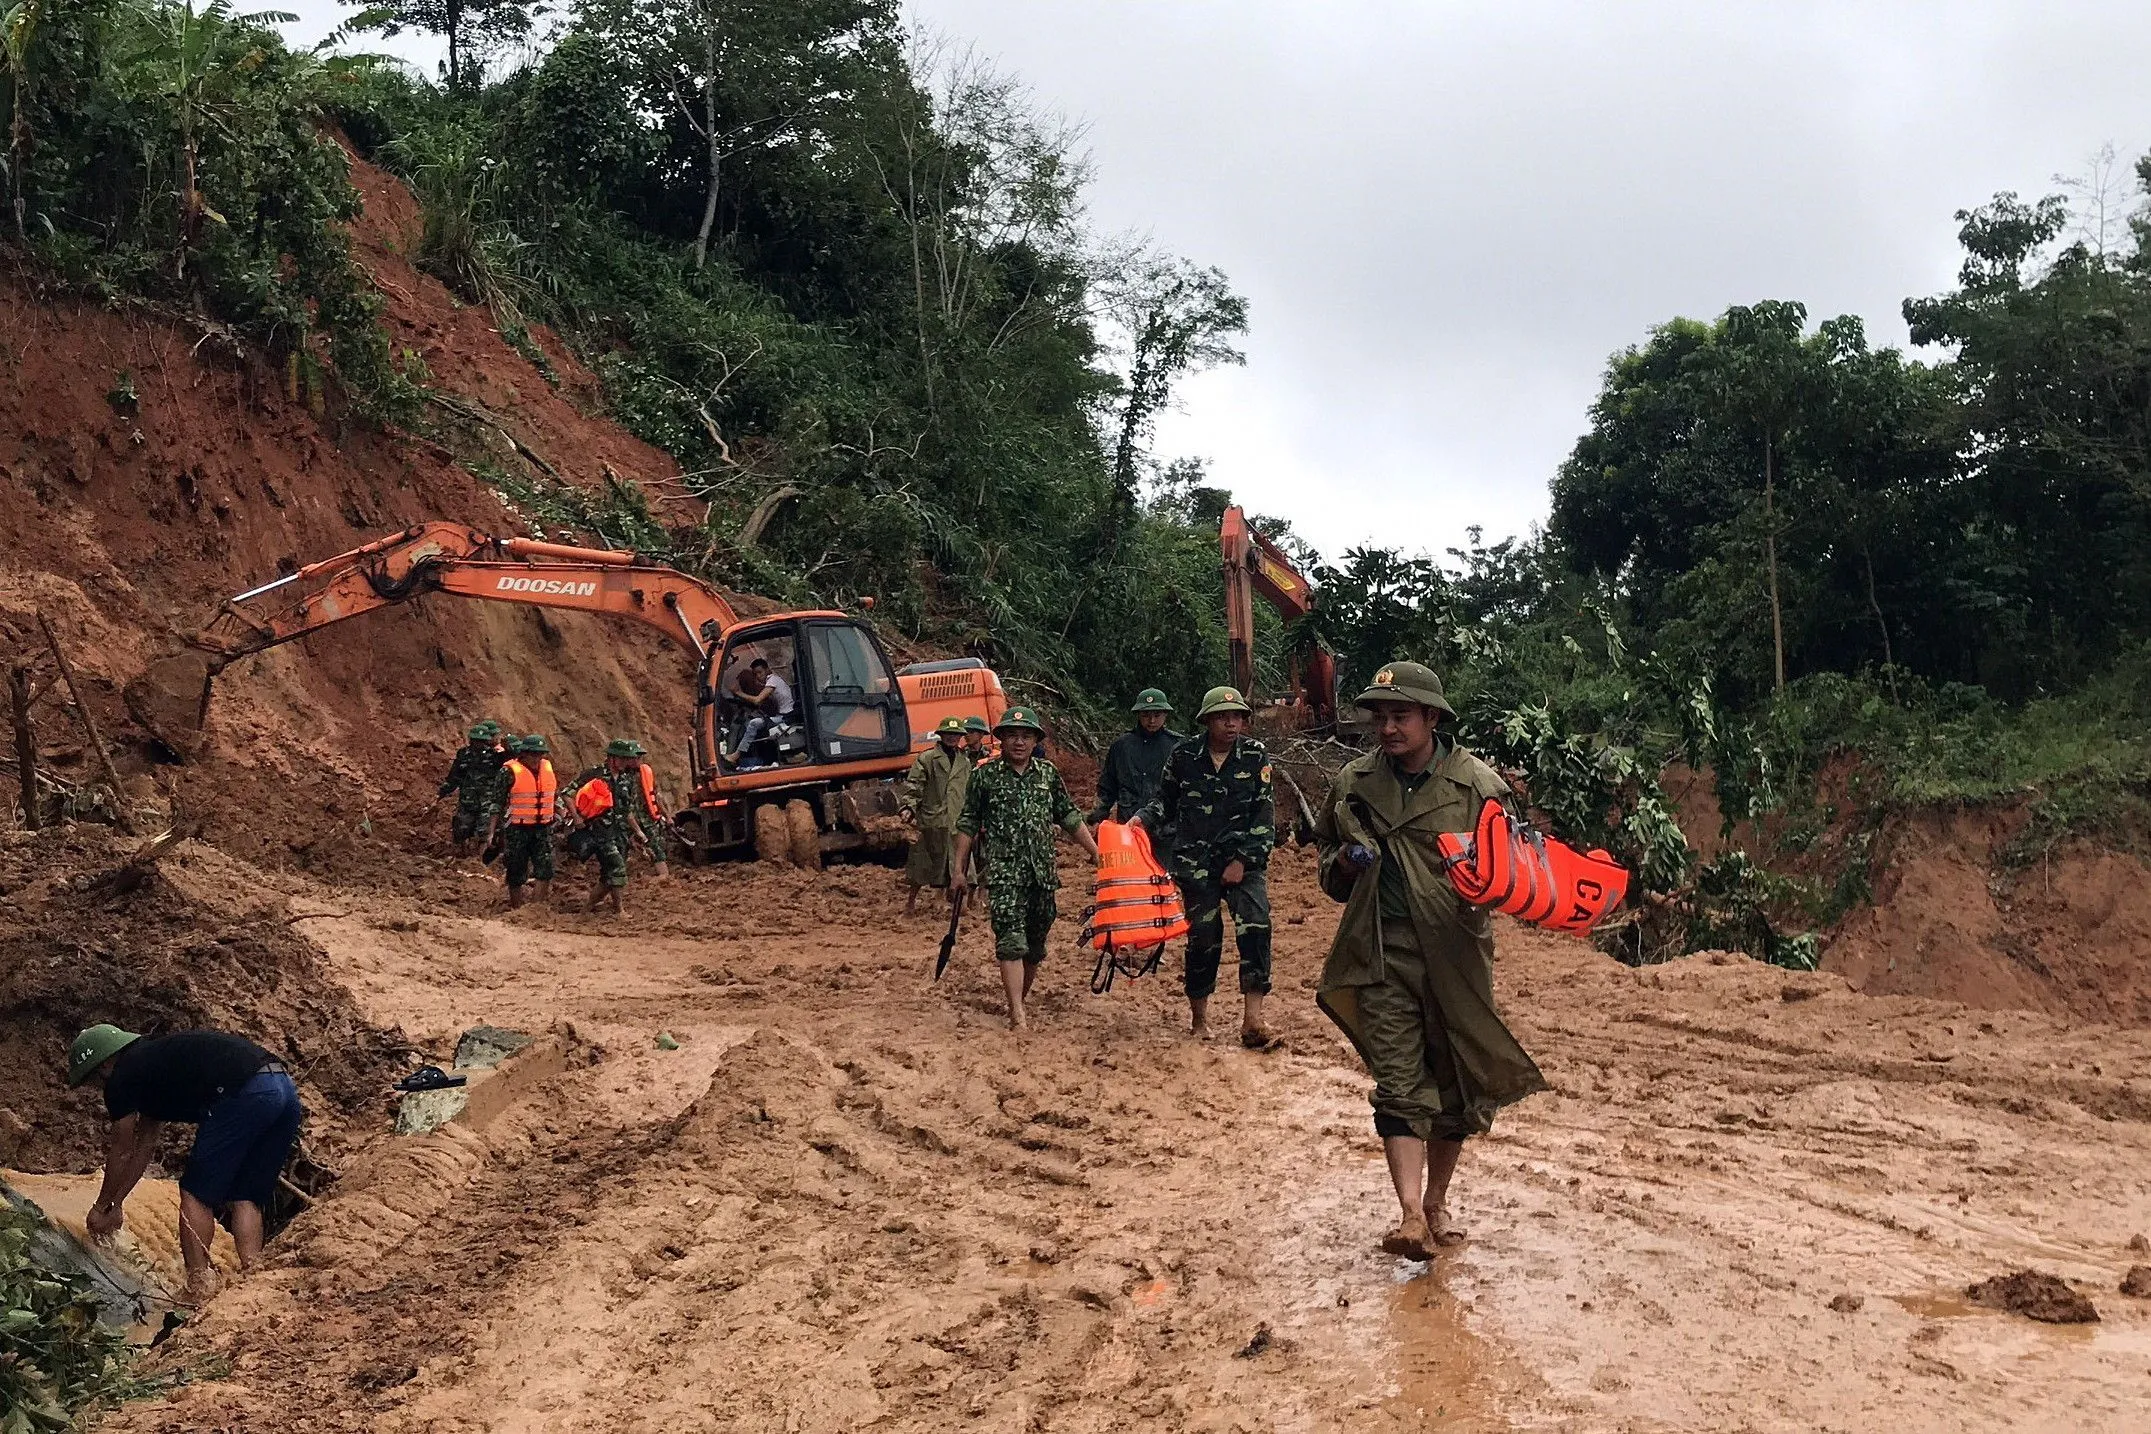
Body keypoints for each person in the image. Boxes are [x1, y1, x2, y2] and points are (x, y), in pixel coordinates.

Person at [1313, 661, 1548, 1261]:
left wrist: (1477, 878)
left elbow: (1517, 876)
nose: (1388, 728)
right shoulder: (1355, 785)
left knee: (1456, 1083)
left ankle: (1437, 1201)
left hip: (1456, 954)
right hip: (1381, 951)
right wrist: (1344, 864)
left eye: (1401, 716)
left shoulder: (1478, 788)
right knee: (1397, 1083)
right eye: (1380, 717)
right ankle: (1410, 1215)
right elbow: (1329, 873)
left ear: (1432, 718)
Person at [68, 1024, 303, 1302]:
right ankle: (254, 1277)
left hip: (243, 1093)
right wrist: (116, 1204)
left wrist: (99, 1207)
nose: (99, 1087)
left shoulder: (122, 1076)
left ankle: (199, 1285)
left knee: (195, 1193)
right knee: (245, 1196)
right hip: (284, 1089)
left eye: (95, 1079)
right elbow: (144, 1146)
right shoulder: (152, 1064)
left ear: (107, 1062)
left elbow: (121, 1150)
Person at [1136, 686, 1277, 1046]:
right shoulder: (1184, 755)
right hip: (1196, 865)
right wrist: (1140, 821)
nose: (1231, 724)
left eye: (1237, 717)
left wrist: (1243, 861)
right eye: (1222, 717)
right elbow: (1165, 800)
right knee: (1203, 939)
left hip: (1244, 864)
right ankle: (1199, 1020)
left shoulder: (1255, 756)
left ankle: (1253, 1021)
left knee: (1256, 928)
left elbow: (1263, 816)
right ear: (1208, 720)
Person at [951, 707, 1099, 1030]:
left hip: (1042, 875)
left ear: (1035, 741)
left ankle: (1020, 997)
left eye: (1026, 736)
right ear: (1002, 740)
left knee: (1035, 944)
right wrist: (959, 870)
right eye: (1013, 735)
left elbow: (1069, 816)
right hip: (1004, 875)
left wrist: (1095, 851)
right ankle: (1017, 1011)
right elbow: (967, 824)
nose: (1019, 741)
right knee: (1010, 940)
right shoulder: (984, 777)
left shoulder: (1047, 775)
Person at [900, 716, 973, 915]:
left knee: (962, 864)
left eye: (956, 735)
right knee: (923, 863)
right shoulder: (927, 759)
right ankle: (911, 902)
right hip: (933, 819)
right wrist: (909, 806)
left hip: (958, 820)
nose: (952, 738)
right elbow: (915, 785)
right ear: (941, 736)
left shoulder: (964, 762)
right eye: (948, 734)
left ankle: (961, 905)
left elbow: (970, 790)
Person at [576, 739, 649, 916]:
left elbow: (627, 810)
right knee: (618, 869)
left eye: (627, 759)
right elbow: (568, 794)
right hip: (601, 832)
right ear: (611, 758)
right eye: (622, 759)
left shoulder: (625, 780)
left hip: (620, 832)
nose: (626, 762)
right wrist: (577, 817)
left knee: (608, 876)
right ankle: (619, 910)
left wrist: (638, 831)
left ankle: (586, 909)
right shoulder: (595, 775)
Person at [1090, 689, 1183, 828]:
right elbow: (1108, 785)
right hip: (1129, 824)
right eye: (1146, 715)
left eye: (1157, 715)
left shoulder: (1177, 746)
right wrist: (1098, 816)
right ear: (1138, 715)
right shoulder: (1121, 746)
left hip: (1165, 827)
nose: (1152, 720)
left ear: (1165, 715)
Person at [497, 734, 557, 908]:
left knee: (545, 868)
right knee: (516, 868)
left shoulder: (547, 768)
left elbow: (553, 793)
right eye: (532, 754)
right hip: (518, 828)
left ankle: (535, 908)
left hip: (543, 827)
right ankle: (517, 908)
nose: (536, 758)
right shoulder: (508, 771)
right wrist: (492, 830)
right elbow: (497, 802)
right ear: (523, 754)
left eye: (540, 754)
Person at [439, 721, 507, 856]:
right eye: (476, 740)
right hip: (467, 800)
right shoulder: (463, 754)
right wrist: (443, 791)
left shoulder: (495, 756)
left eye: (481, 741)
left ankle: (480, 860)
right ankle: (462, 856)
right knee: (461, 829)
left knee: (485, 832)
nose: (478, 744)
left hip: (487, 801)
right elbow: (454, 776)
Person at [623, 741, 673, 880]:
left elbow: (656, 795)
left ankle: (662, 875)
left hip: (647, 818)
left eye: (640, 757)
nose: (638, 760)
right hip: (626, 822)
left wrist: (667, 816)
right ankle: (620, 877)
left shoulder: (645, 773)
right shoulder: (620, 777)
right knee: (621, 848)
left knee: (656, 846)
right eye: (635, 757)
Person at [736, 658, 797, 761]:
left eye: (760, 672)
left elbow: (758, 700)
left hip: (787, 717)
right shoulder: (772, 681)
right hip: (782, 715)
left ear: (767, 670)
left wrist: (738, 693)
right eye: (756, 674)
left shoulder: (773, 680)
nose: (759, 676)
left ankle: (737, 755)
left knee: (753, 723)